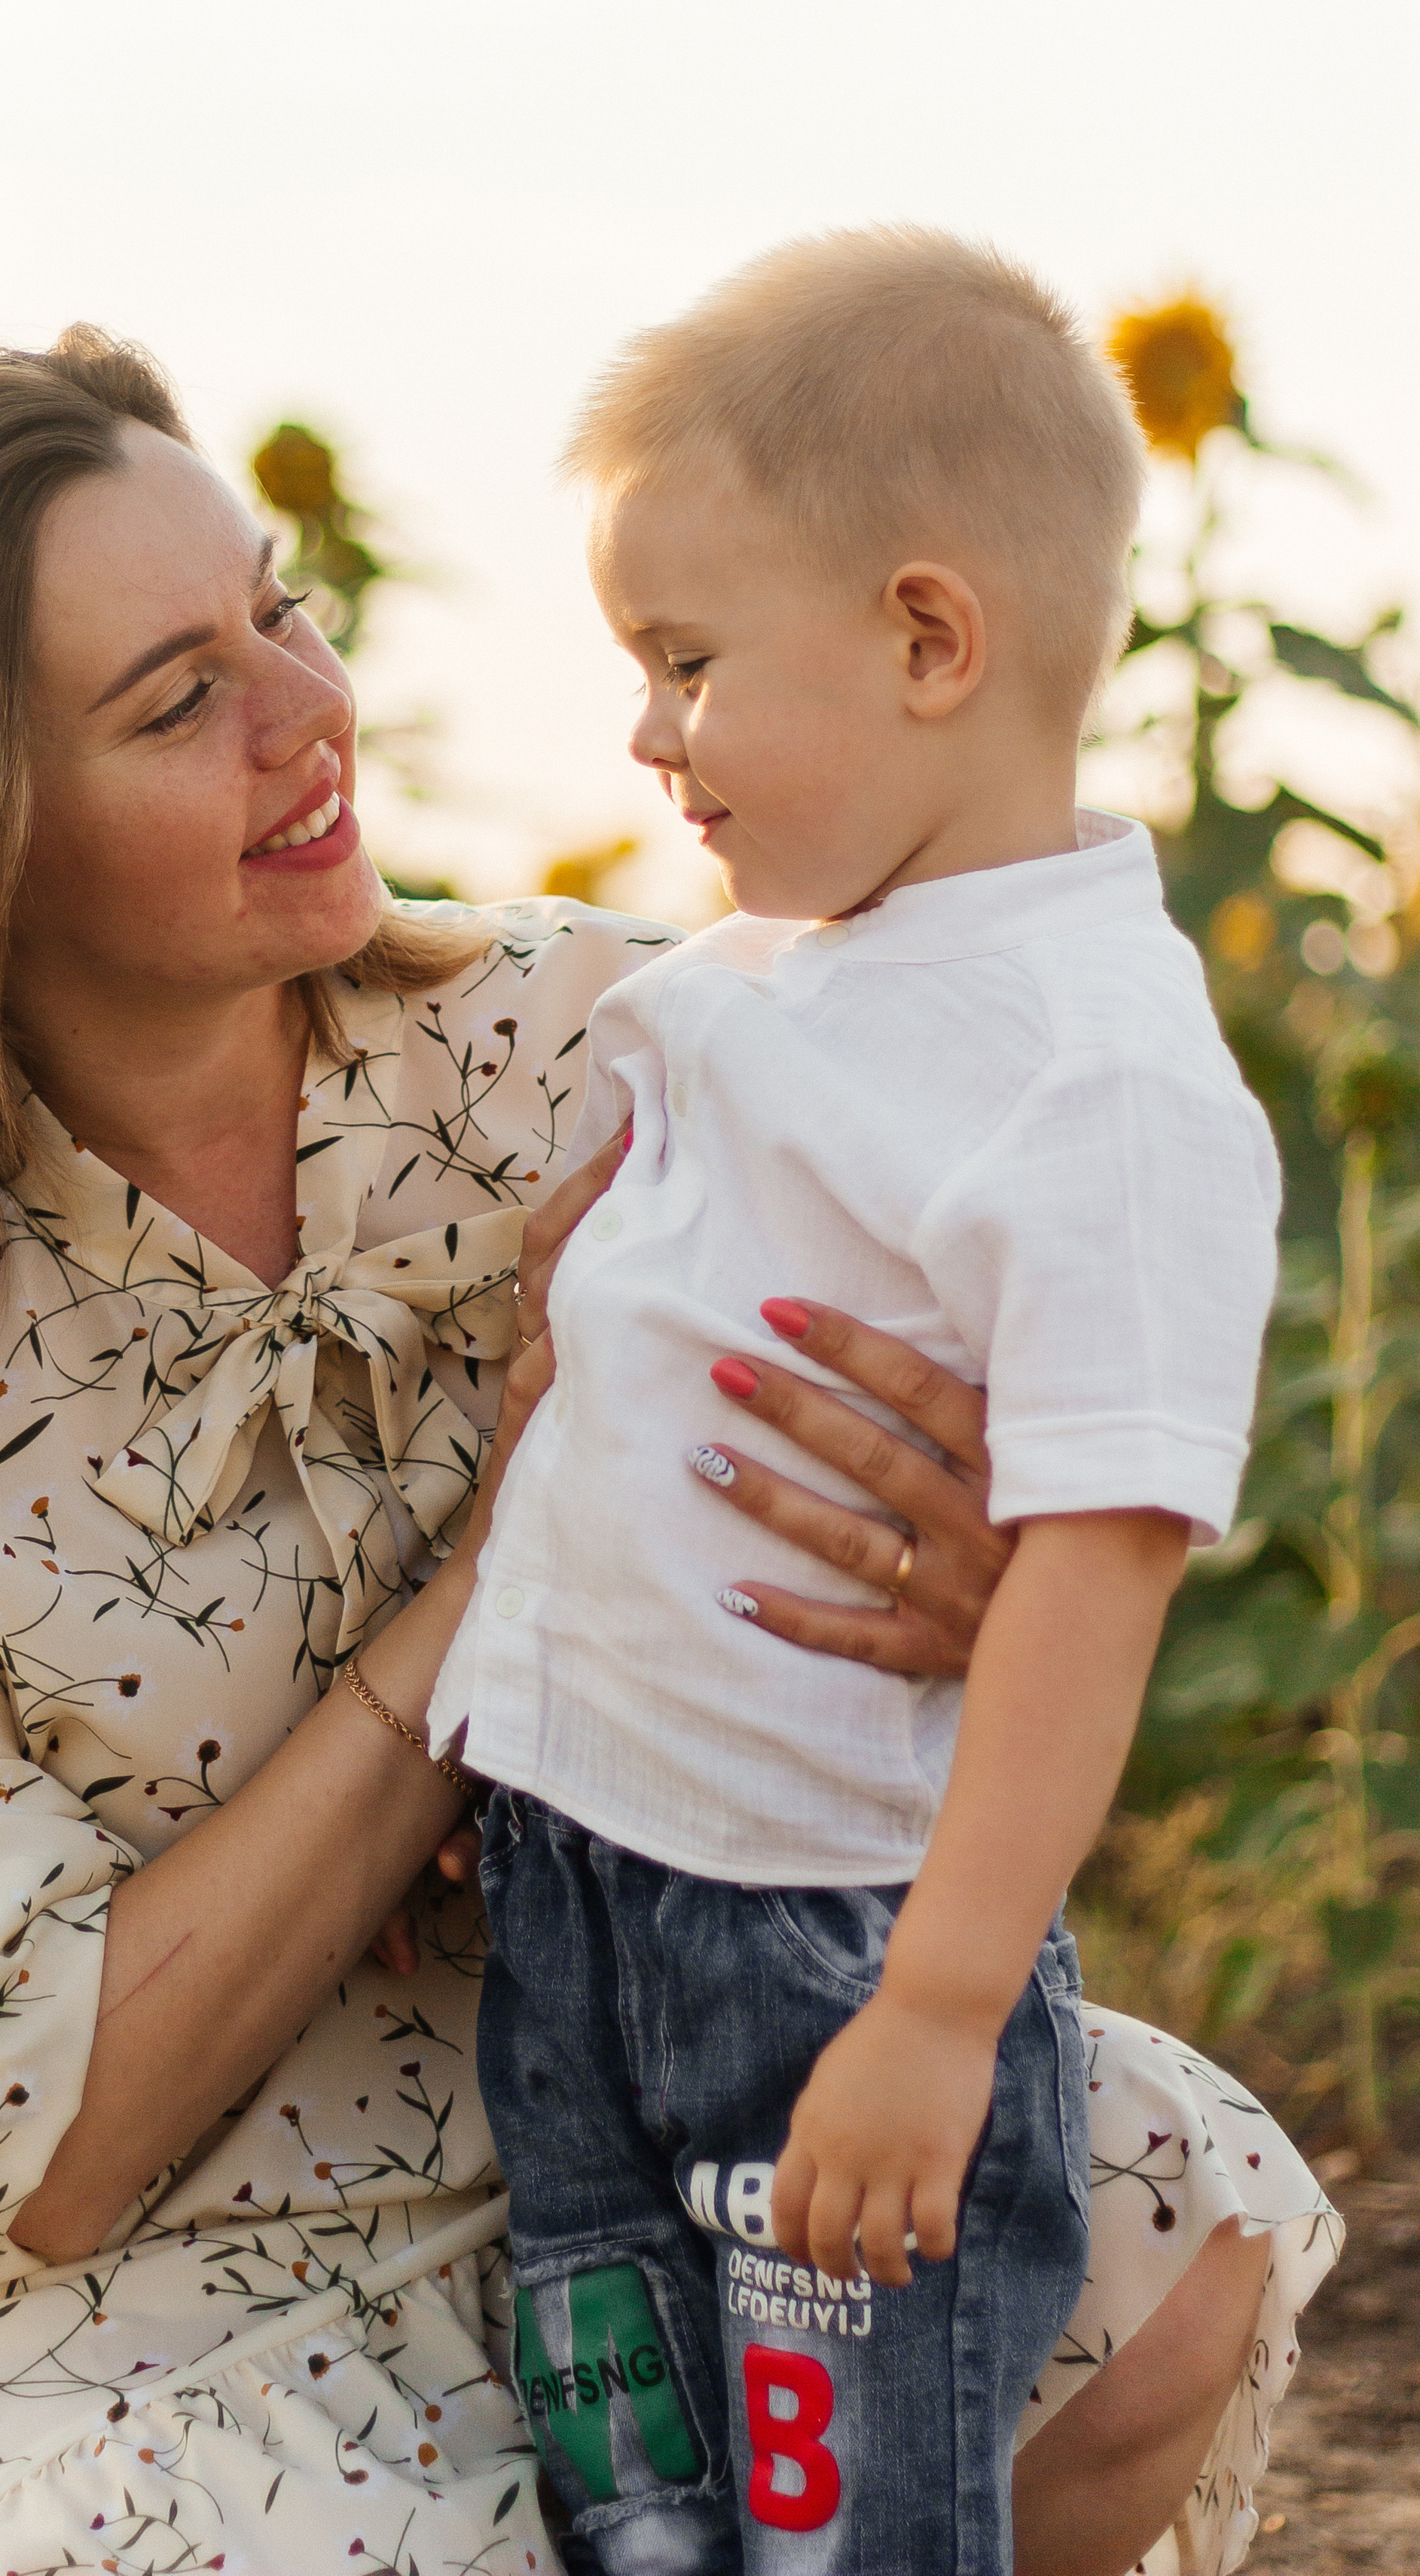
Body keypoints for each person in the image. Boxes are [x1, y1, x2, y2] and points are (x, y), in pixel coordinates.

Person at [0, 327, 1333, 2576]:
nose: (313, 712)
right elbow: (49, 2150)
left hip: (580, 2088)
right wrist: (520, 1562)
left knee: (1161, 2230)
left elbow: (1052, 1450)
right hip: (53, 2290)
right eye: (174, 699)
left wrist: (969, 1575)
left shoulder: (621, 1047)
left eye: (277, 609)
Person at [429, 232, 1326, 2576]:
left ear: (932, 642)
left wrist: (941, 2010)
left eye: (689, 662)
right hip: (580, 1899)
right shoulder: (767, 981)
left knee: (852, 2502)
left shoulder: (1095, 1071)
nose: (644, 733)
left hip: (825, 1924)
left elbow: (1100, 1568)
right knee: (630, 2470)